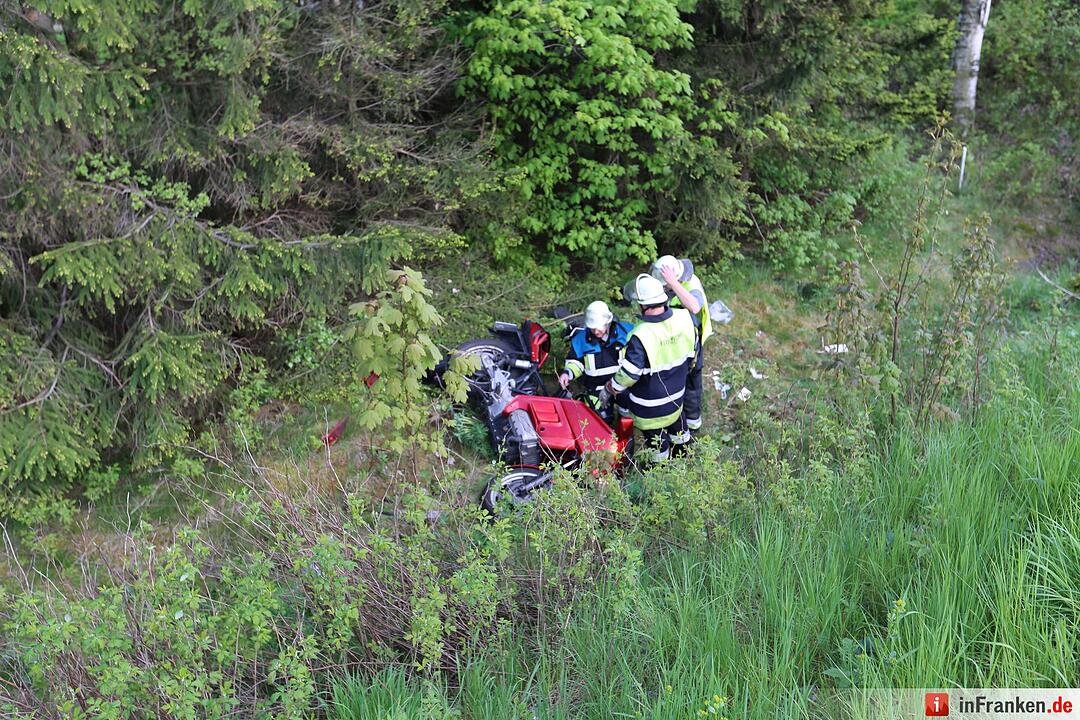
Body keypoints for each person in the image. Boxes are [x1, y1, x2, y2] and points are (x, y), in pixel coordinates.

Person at [605, 274, 697, 462]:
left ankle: (659, 473)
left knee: (657, 446)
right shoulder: (684, 318)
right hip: (677, 399)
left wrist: (610, 387)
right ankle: (682, 464)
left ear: (642, 305)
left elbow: (629, 375)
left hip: (649, 409)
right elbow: (692, 356)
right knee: (680, 435)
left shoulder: (641, 335)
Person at [651, 255, 711, 435]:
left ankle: (693, 426)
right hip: (676, 341)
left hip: (692, 344)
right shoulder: (671, 282)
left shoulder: (690, 285)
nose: (664, 288)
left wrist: (673, 284)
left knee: (691, 386)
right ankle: (676, 417)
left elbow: (694, 307)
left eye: (665, 284)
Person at [558, 301, 633, 408]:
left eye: (599, 327)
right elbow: (576, 363)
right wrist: (567, 373)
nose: (596, 332)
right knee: (593, 418)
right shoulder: (581, 340)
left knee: (628, 417)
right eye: (593, 328)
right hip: (595, 390)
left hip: (622, 387)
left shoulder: (626, 332)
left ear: (608, 322)